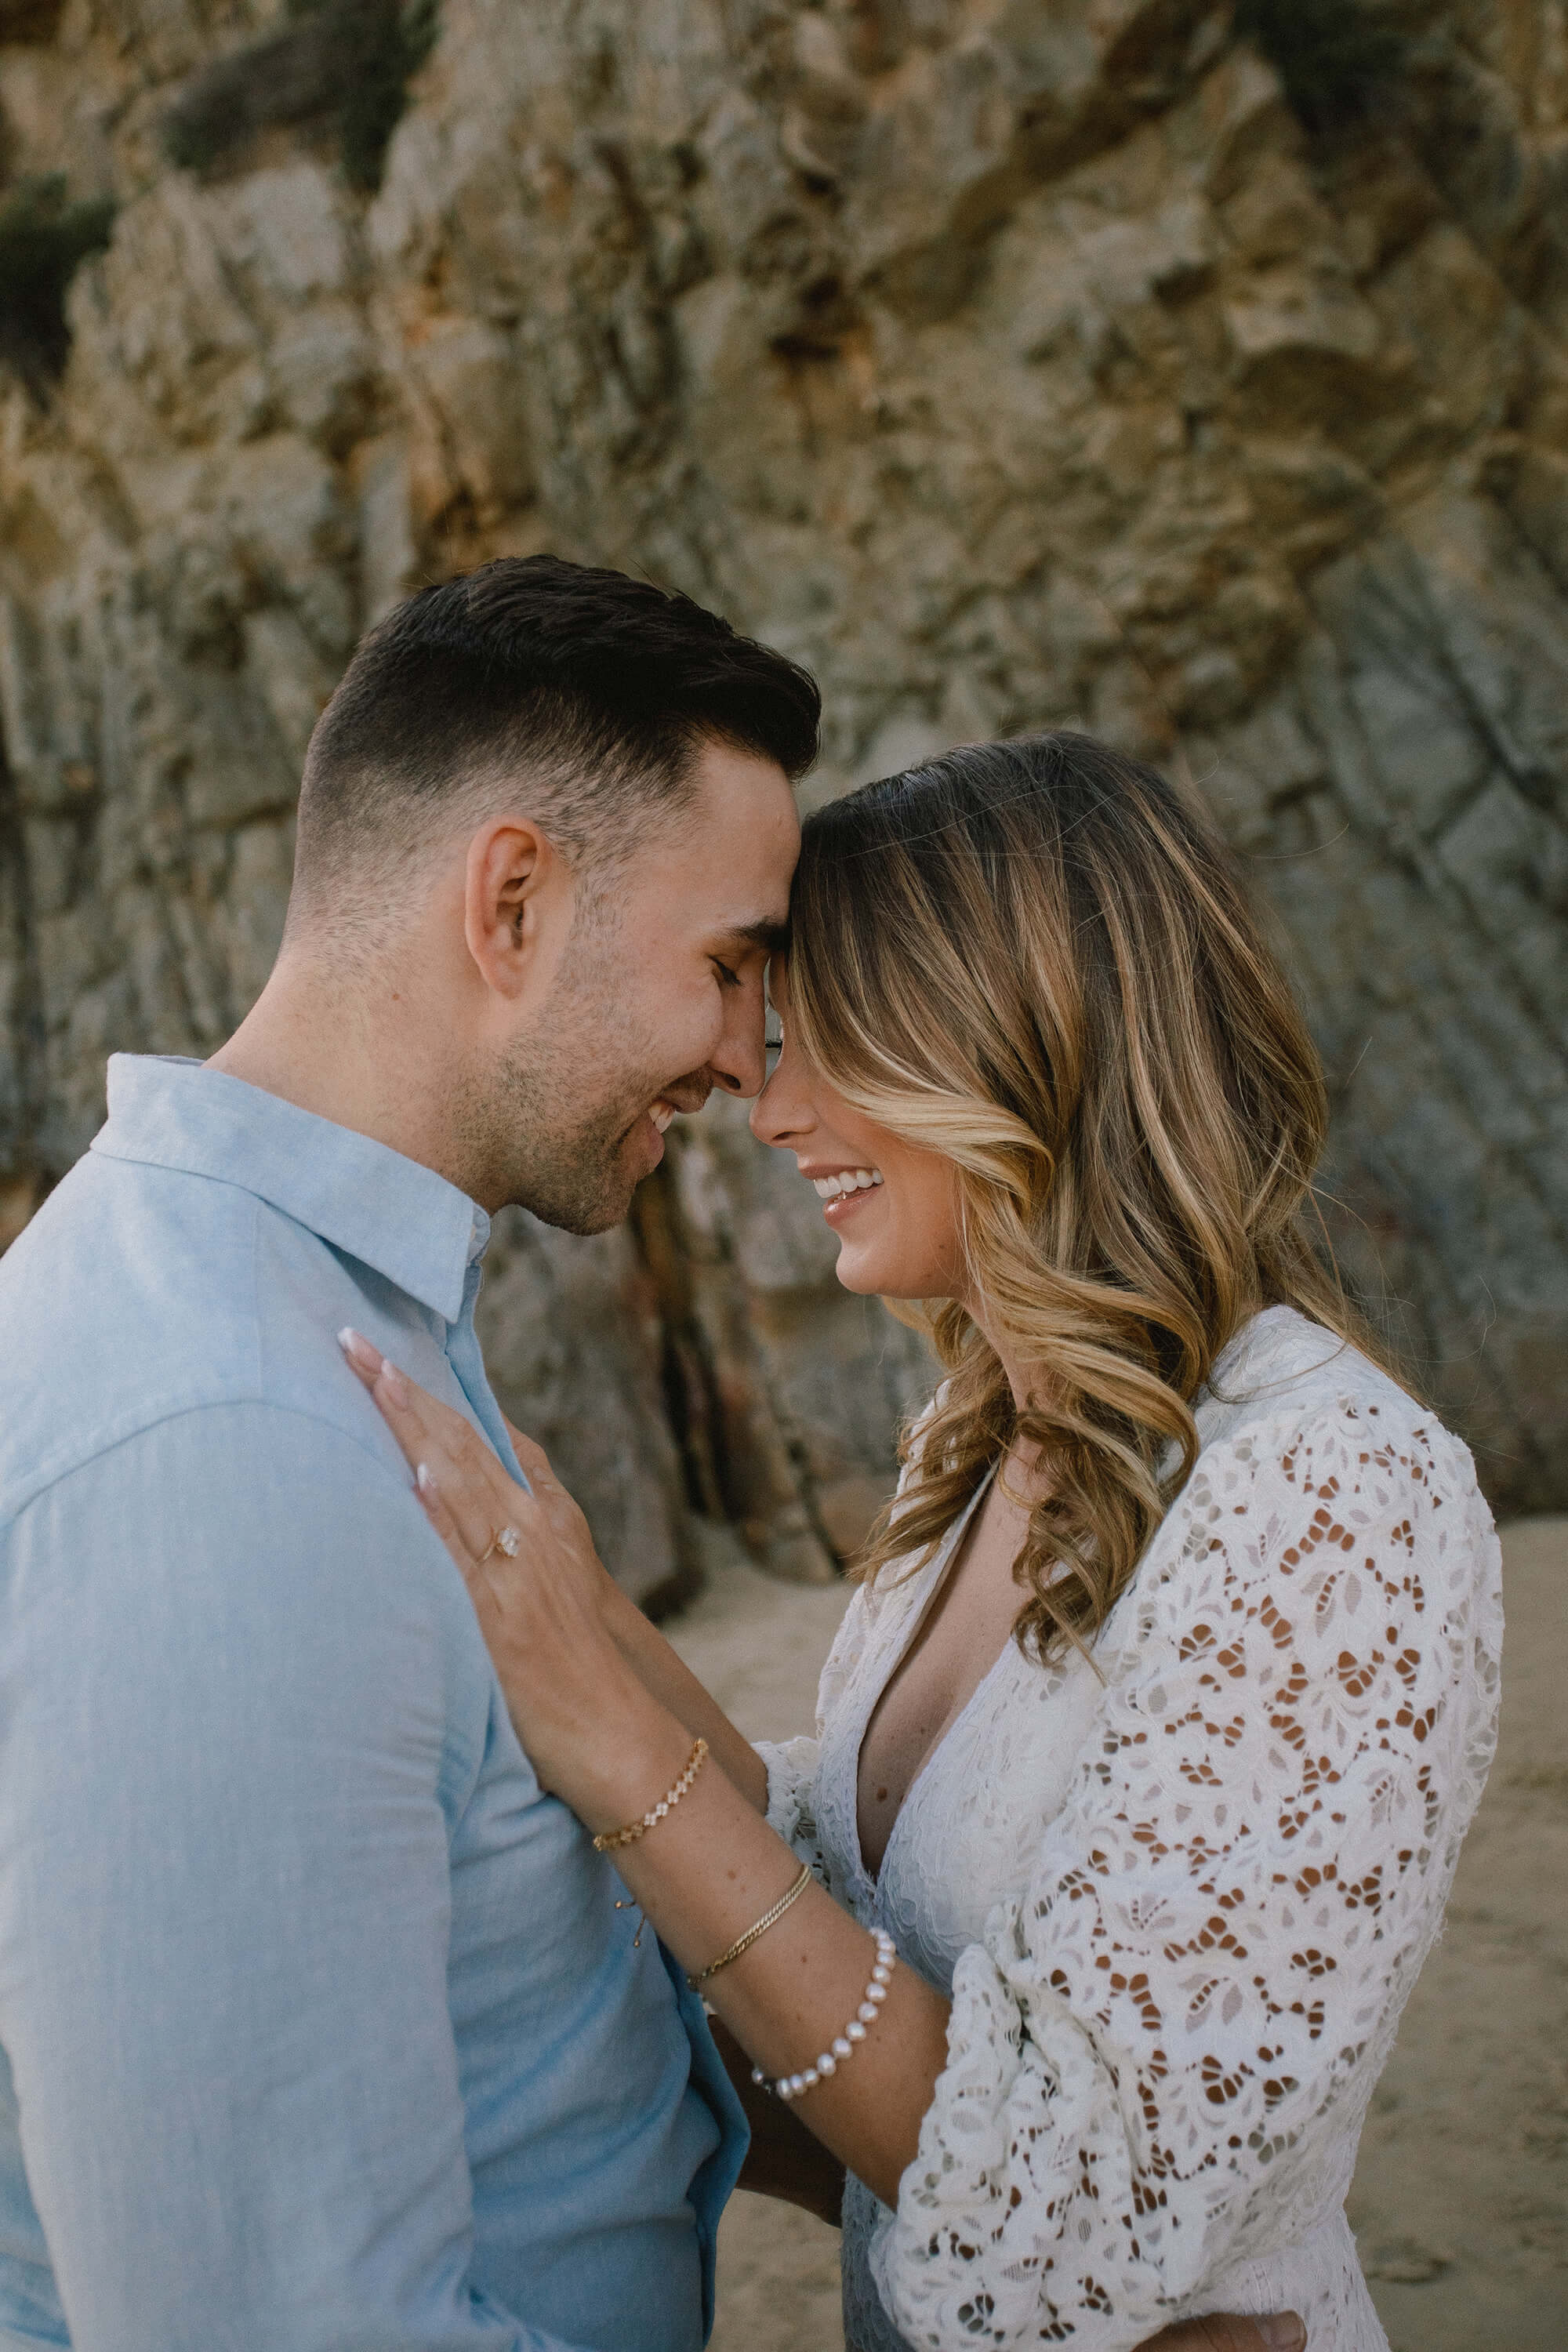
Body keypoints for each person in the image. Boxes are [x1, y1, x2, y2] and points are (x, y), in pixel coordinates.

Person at [0, 558, 1289, 2352]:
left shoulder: (321, 1330)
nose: (757, 1054)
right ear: (512, 899)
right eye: (728, 963)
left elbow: (529, 2008)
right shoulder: (222, 1439)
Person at [347, 731, 1503, 2352]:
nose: (769, 1107)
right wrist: (585, 1608)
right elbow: (836, 1903)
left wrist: (616, 1748)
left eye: (834, 1046)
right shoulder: (986, 1447)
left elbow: (1074, 2219)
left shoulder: (1333, 1499)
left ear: (1025, 1040)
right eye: (769, 1042)